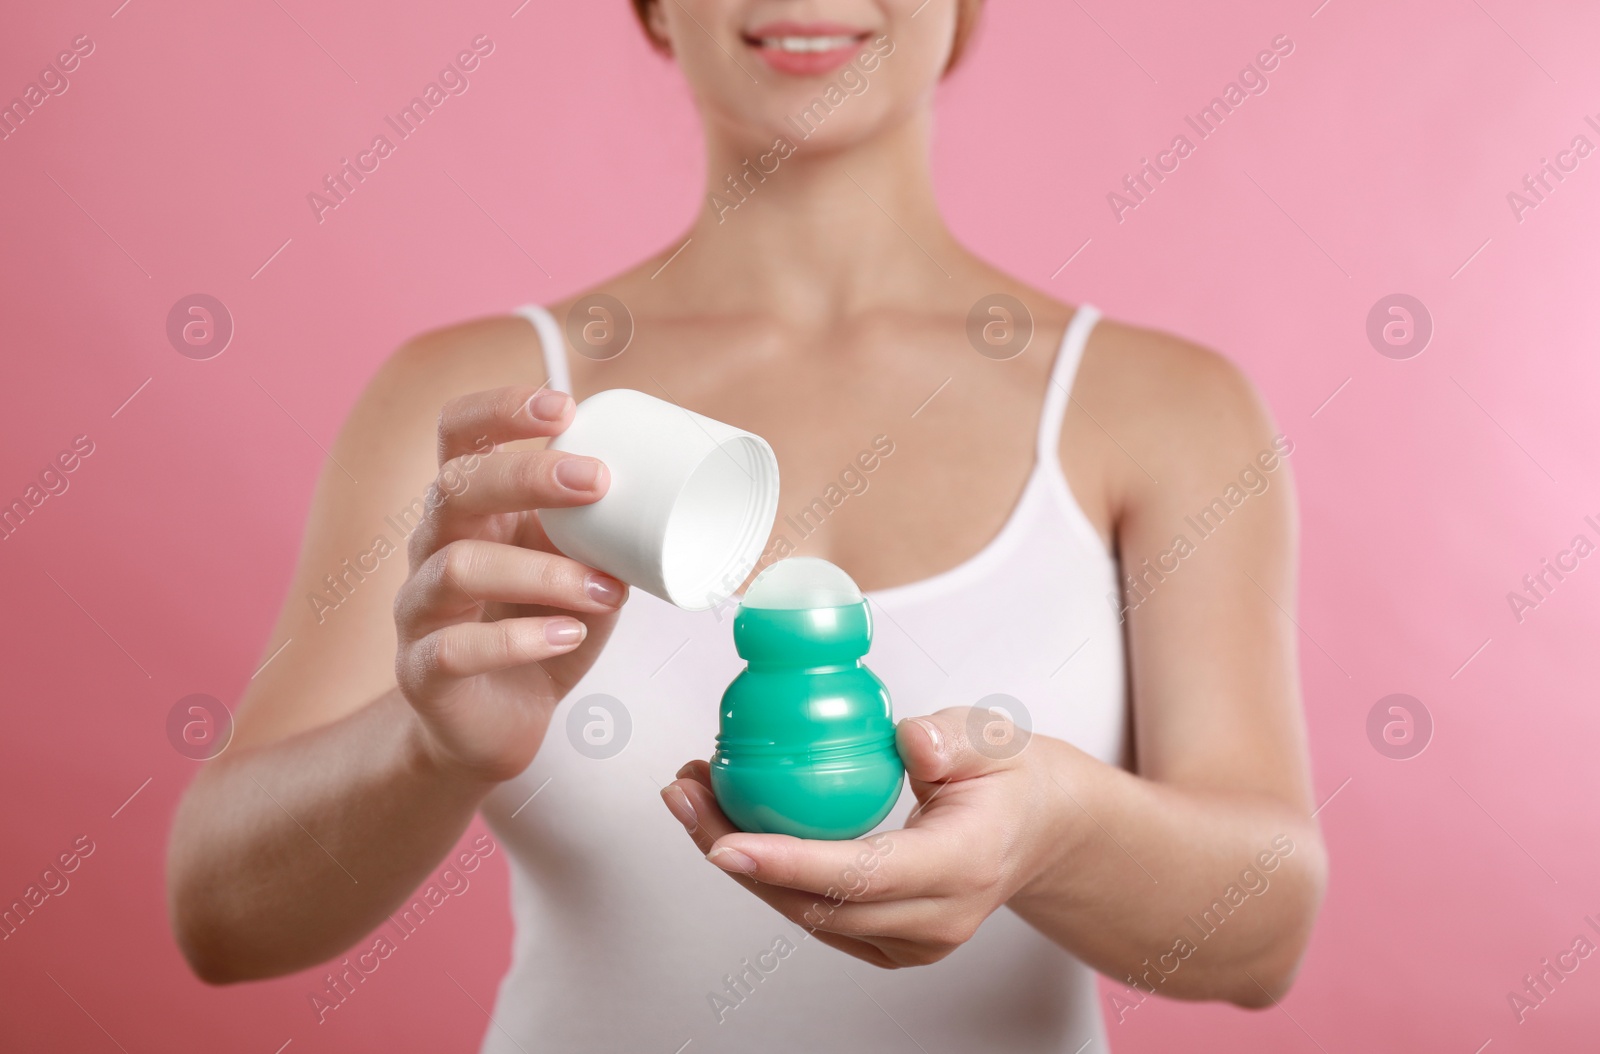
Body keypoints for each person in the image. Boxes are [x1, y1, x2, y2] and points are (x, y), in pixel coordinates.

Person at [167, 2, 1327, 1050]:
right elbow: (223, 920)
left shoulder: (1164, 410)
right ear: (655, 7)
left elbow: (1262, 937)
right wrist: (427, 749)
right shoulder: (484, 416)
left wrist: (1060, 830)